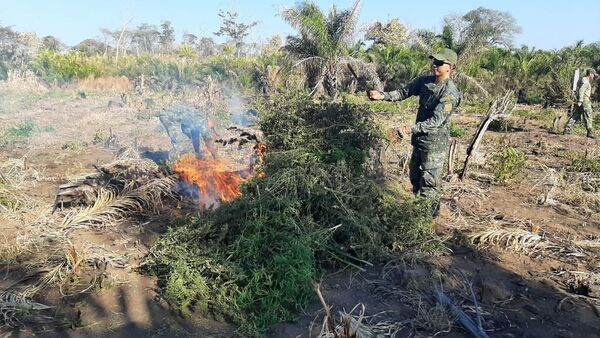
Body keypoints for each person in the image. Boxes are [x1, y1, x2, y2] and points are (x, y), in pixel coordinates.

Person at [367, 48, 460, 217]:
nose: (435, 65)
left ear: (450, 67)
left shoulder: (449, 93)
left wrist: (410, 128)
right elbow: (404, 92)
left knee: (429, 185)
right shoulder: (424, 82)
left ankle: (428, 222)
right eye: (434, 61)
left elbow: (436, 121)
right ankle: (418, 213)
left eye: (440, 63)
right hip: (419, 142)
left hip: (434, 145)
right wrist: (381, 96)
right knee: (415, 178)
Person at [563, 68, 597, 139]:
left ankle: (567, 129)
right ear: (590, 74)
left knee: (576, 114)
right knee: (588, 115)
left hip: (580, 100)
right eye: (593, 75)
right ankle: (590, 132)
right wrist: (581, 101)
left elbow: (578, 90)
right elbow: (581, 91)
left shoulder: (581, 80)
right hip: (584, 101)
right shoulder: (586, 82)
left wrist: (578, 100)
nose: (593, 76)